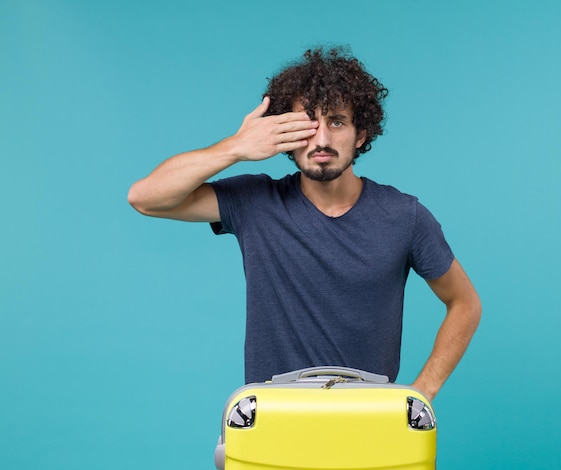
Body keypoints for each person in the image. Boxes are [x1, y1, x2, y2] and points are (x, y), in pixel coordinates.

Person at [128, 47, 481, 401]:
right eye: (307, 124)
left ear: (360, 134)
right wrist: (235, 147)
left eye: (337, 122)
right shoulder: (255, 202)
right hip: (274, 420)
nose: (322, 139)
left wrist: (422, 391)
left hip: (370, 424)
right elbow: (145, 197)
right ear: (285, 133)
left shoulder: (405, 216)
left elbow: (465, 303)